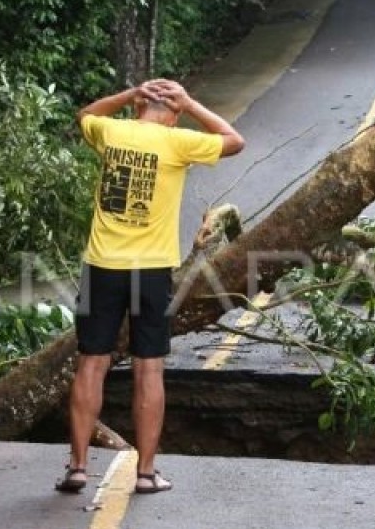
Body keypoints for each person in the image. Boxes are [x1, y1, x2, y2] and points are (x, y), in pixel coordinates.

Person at [57, 78, 244, 495]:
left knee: (92, 363)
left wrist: (126, 95)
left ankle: (78, 467)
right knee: (149, 367)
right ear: (174, 112)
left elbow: (85, 114)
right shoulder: (178, 141)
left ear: (137, 108)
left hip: (102, 265)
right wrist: (192, 102)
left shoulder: (112, 131)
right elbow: (234, 140)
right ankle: (145, 473)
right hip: (152, 271)